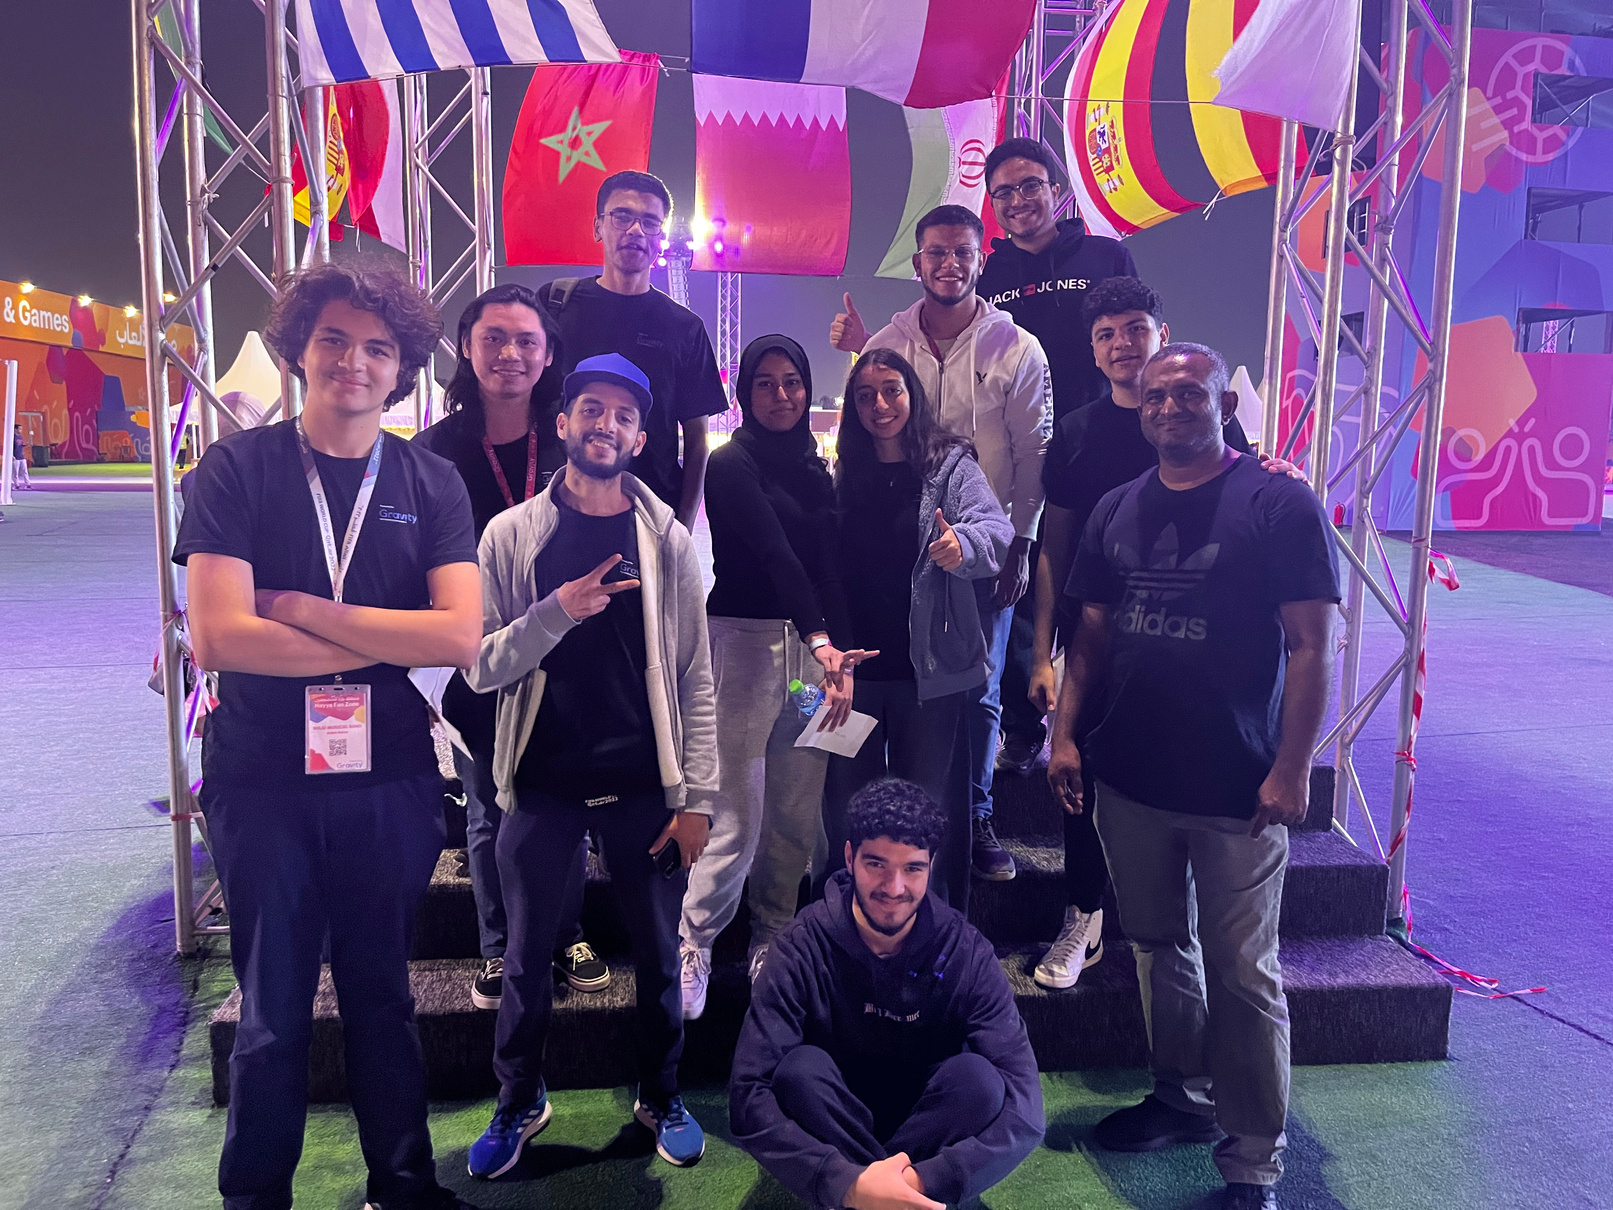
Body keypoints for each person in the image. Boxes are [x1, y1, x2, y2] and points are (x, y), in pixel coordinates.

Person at [174, 261, 483, 1210]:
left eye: (378, 348)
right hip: (261, 781)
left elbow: (457, 636)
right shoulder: (236, 469)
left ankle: (404, 1185)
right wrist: (383, 639)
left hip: (388, 780)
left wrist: (305, 610)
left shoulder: (430, 480)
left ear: (403, 369)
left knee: (382, 995)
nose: (355, 361)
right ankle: (255, 1195)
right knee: (272, 1009)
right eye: (335, 340)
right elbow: (220, 638)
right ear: (299, 352)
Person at [1047, 344, 1340, 1210]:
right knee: (1155, 945)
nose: (1170, 407)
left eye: (1188, 393)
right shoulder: (1116, 507)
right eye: (1156, 395)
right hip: (1130, 778)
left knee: (1242, 970)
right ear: (1138, 407)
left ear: (1224, 404)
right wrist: (1064, 737)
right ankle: (1180, 1096)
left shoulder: (1277, 502)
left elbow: (1311, 645)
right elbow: (1088, 637)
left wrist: (1292, 768)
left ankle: (1252, 1162)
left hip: (1238, 788)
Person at [464, 352, 718, 1177]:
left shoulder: (667, 540)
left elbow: (694, 676)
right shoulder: (510, 535)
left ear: (640, 438)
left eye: (622, 415)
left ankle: (661, 1094)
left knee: (658, 957)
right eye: (591, 409)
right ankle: (519, 1100)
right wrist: (555, 612)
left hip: (645, 784)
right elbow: (480, 666)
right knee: (525, 961)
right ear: (563, 422)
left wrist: (697, 798)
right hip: (542, 783)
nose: (605, 424)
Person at [830, 204, 1051, 885]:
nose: (949, 264)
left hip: (982, 550)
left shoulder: (1017, 347)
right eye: (936, 252)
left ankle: (975, 818)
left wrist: (1016, 547)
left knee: (975, 692)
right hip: (891, 582)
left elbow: (1033, 456)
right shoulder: (890, 340)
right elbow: (868, 411)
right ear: (918, 261)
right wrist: (859, 351)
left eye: (961, 252)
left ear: (981, 259)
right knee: (875, 722)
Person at [414, 283, 608, 1012]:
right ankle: (499, 947)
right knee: (488, 805)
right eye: (493, 338)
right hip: (477, 654)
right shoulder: (432, 453)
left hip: (566, 647)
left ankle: (566, 934)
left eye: (527, 340)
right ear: (466, 348)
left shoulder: (569, 440)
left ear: (549, 353)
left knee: (562, 800)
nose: (510, 354)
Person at [730, 778, 1045, 1210]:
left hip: (929, 1121)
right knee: (799, 1073)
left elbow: (1026, 1109)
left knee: (979, 1081)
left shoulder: (966, 951)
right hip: (834, 1114)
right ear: (849, 858)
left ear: (931, 865)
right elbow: (748, 1092)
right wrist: (846, 1181)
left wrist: (915, 1181)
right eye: (876, 864)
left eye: (912, 868)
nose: (894, 888)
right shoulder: (799, 946)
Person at [678, 334, 874, 1019]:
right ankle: (695, 939)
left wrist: (838, 656)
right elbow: (775, 555)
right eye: (765, 383)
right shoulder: (730, 464)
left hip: (809, 661)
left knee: (795, 808)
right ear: (744, 394)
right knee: (734, 808)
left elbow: (829, 571)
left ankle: (773, 933)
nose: (782, 395)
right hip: (744, 647)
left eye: (792, 381)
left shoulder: (815, 468)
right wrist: (821, 638)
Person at [819, 348, 1013, 916]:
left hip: (928, 675)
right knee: (846, 810)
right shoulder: (844, 472)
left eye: (891, 390)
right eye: (865, 396)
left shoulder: (949, 465)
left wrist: (963, 544)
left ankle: (937, 929)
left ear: (913, 394)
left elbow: (996, 530)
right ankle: (847, 925)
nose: (879, 405)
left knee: (929, 812)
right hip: (852, 675)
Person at [973, 137, 1141, 778]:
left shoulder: (1104, 255)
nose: (1018, 200)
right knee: (1019, 586)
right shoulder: (988, 275)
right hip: (1019, 453)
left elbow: (1138, 335)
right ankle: (1022, 727)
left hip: (1099, 445)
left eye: (1030, 185)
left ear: (1056, 190)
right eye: (1003, 192)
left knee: (1105, 586)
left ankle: (1112, 720)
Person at [535, 170, 728, 530]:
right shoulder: (555, 305)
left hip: (649, 520)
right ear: (598, 227)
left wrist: (682, 527)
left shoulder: (685, 328)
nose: (636, 230)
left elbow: (698, 441)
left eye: (650, 222)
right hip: (558, 514)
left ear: (661, 237)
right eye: (622, 216)